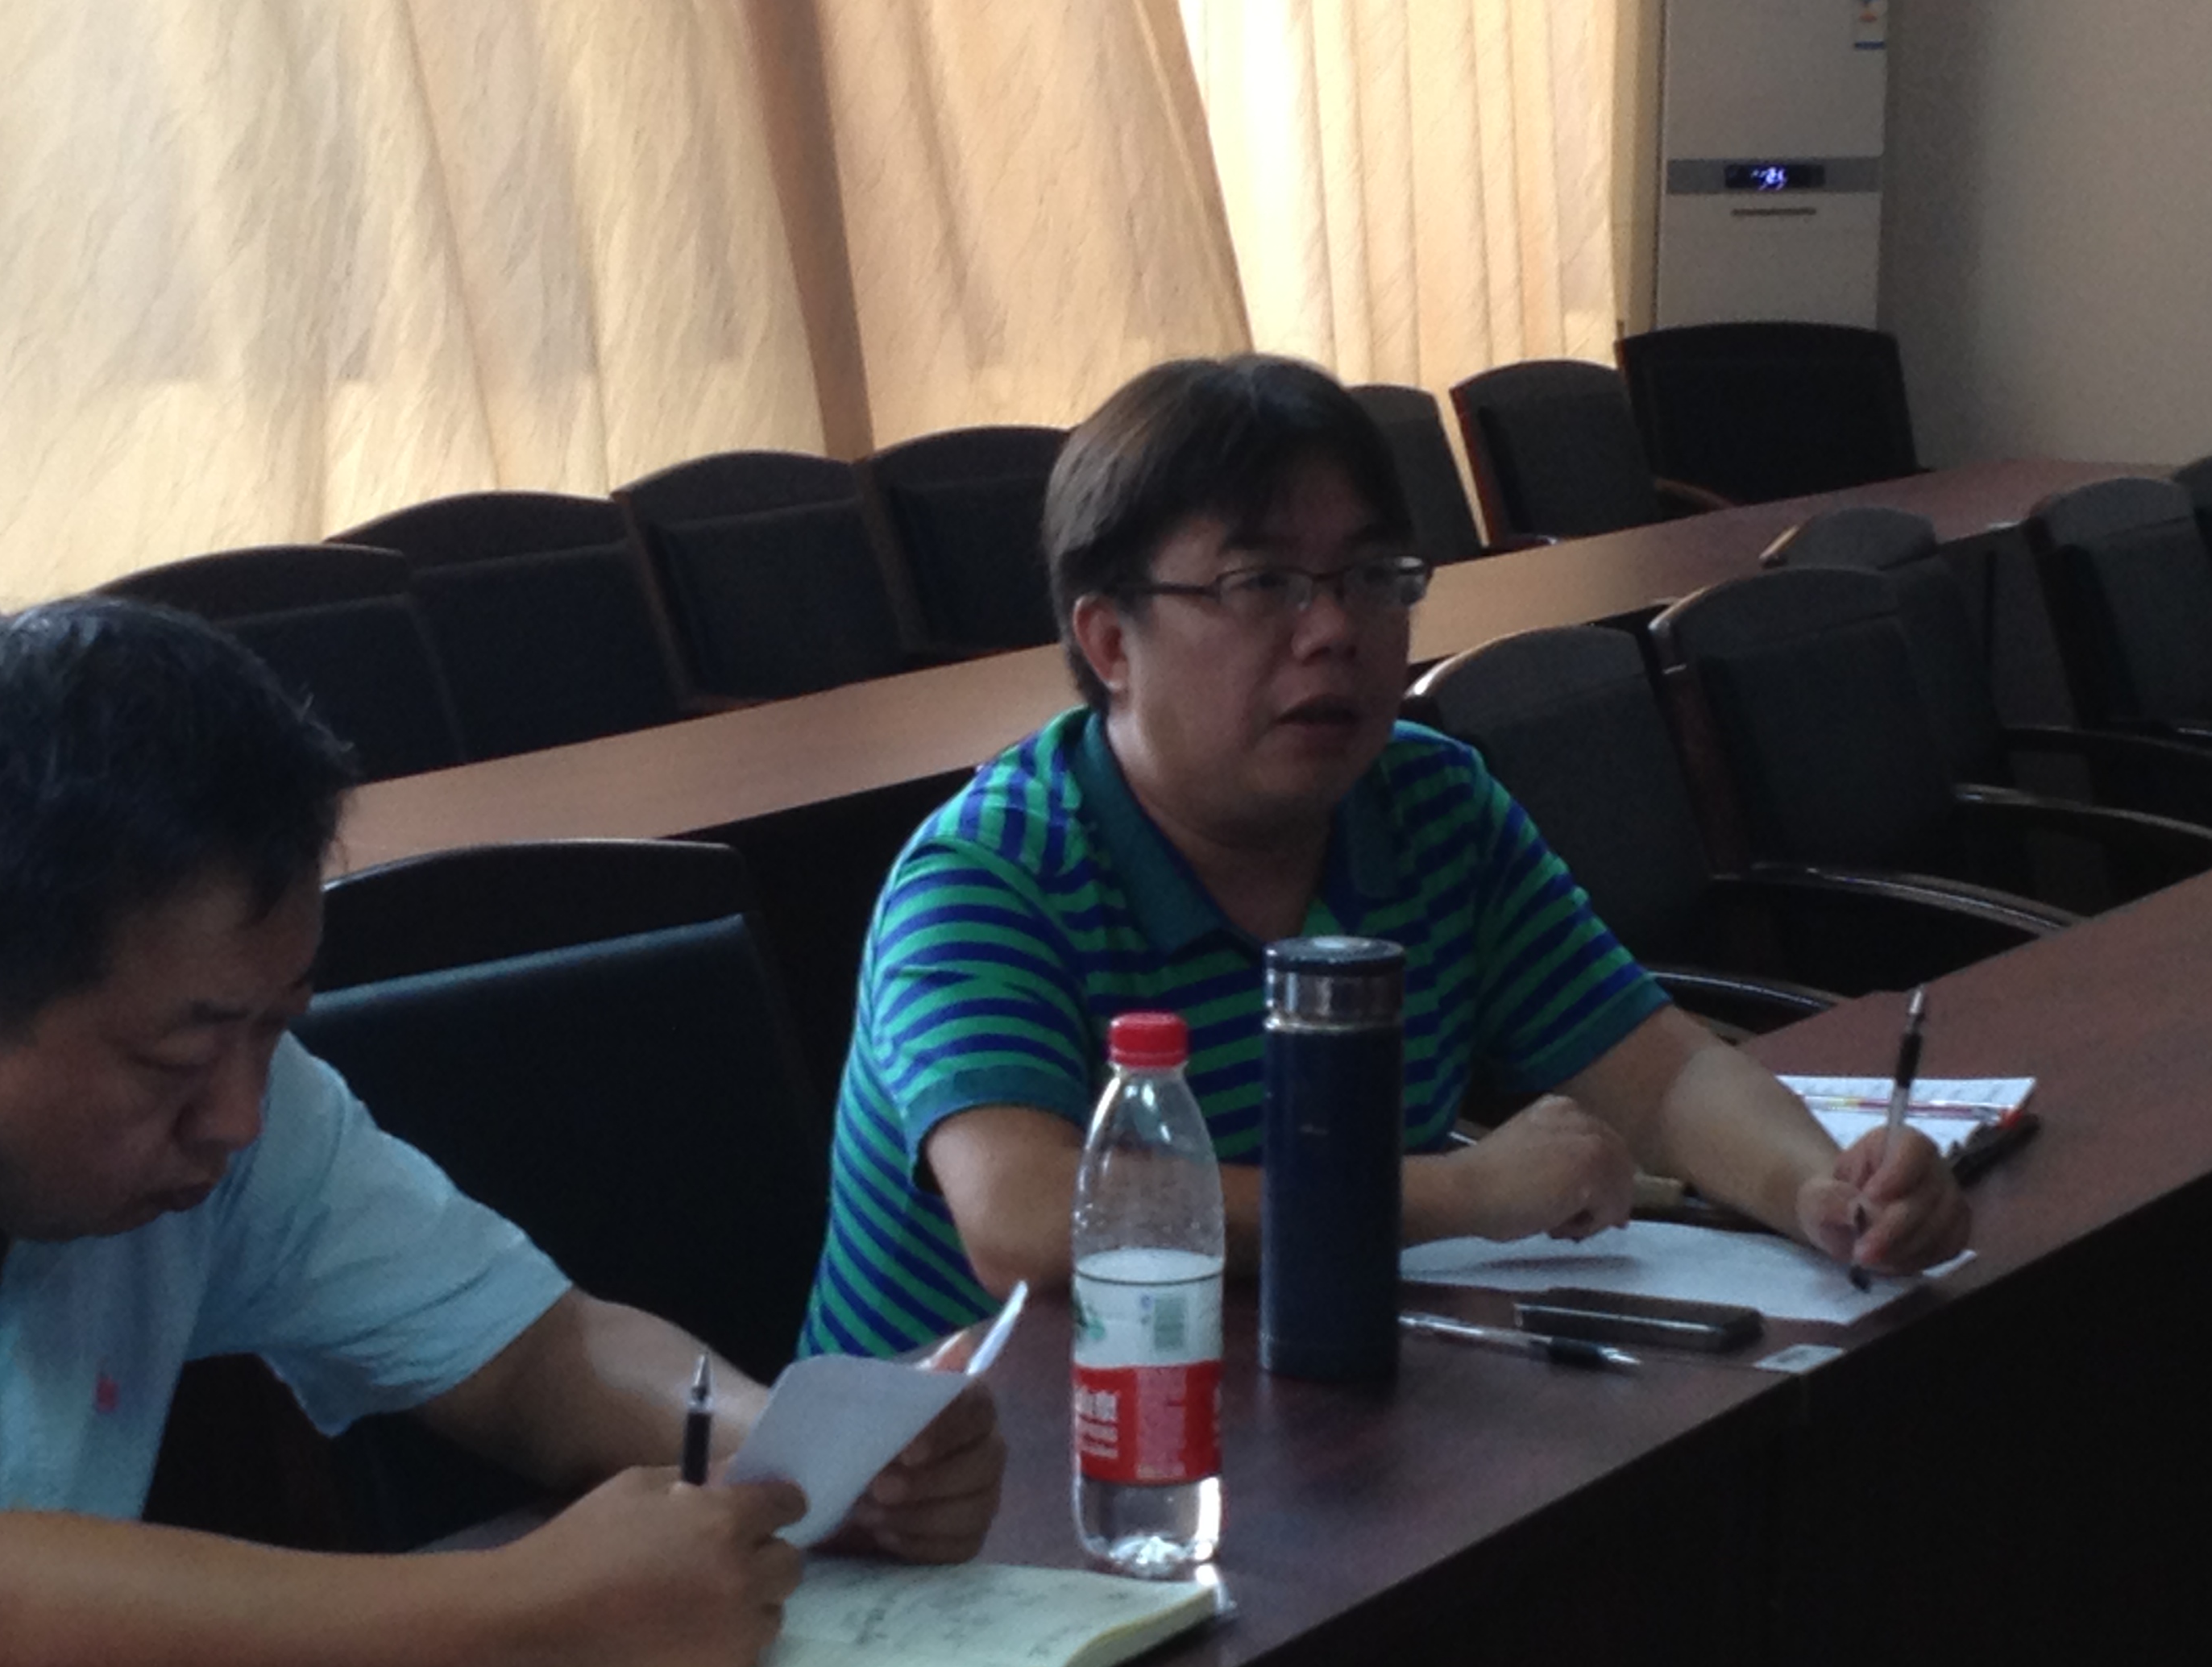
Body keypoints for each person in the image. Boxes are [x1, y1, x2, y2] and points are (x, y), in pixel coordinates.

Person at [0, 599, 1003, 1667]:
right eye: (176, 1060)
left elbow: (535, 1352)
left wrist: (798, 1465)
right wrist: (519, 1621)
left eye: (277, 1028)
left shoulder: (216, 1059)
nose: (240, 1118)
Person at [800, 355, 1968, 1358]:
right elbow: (1026, 1218)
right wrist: (1453, 1195)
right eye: (1262, 585)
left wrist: (1817, 1185)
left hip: (1283, 1386)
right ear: (1111, 641)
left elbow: (1660, 1077)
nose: (1333, 630)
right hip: (961, 1474)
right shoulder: (988, 876)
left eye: (1371, 578)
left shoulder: (1429, 802)